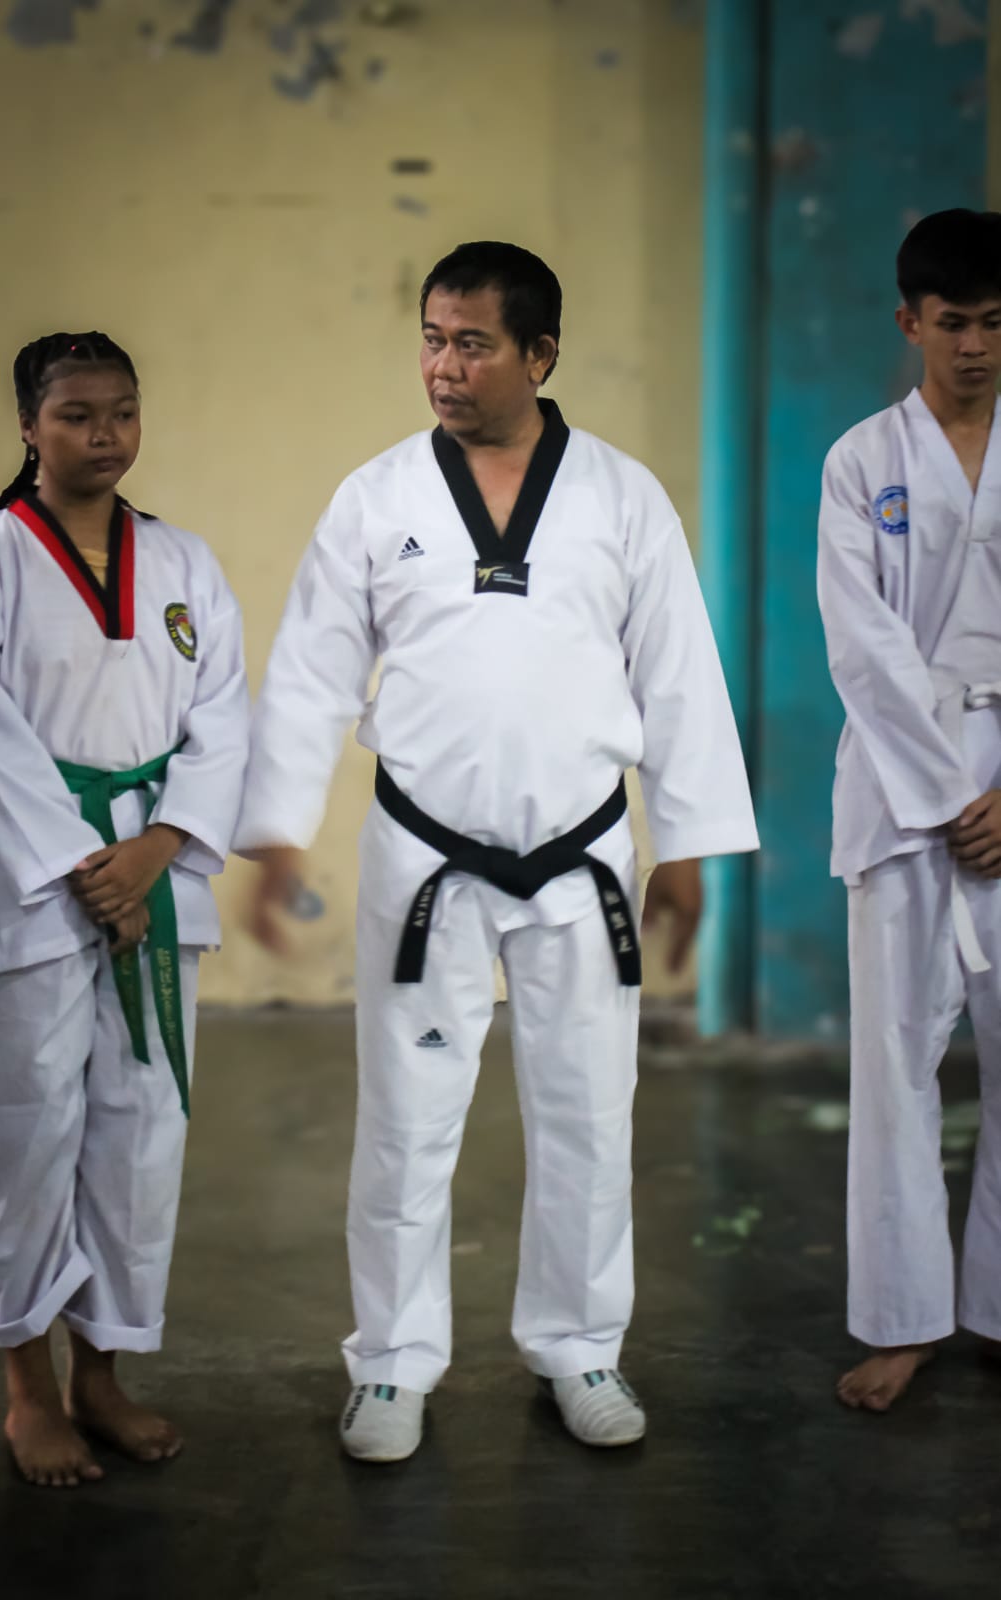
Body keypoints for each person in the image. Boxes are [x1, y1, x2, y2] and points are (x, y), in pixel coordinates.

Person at [238, 242, 757, 1462]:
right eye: (430, 336)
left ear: (540, 353)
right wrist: (270, 839)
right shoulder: (376, 497)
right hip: (425, 859)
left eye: (471, 342)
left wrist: (682, 850)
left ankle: (580, 1346)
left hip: (583, 860)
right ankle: (390, 1365)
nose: (442, 364)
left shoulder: (623, 497)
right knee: (409, 1117)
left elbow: (678, 676)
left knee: (588, 1112)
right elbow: (312, 673)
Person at [0, 332, 248, 1485]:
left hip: (154, 887)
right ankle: (26, 1390)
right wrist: (87, 861)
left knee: (137, 1137)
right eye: (76, 414)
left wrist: (158, 848)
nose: (103, 433)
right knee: (23, 1140)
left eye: (121, 412)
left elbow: (224, 718)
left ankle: (102, 1375)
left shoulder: (184, 561)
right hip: (29, 892)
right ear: (29, 426)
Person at [817, 209, 1001, 1413]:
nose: (975, 346)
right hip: (902, 786)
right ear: (908, 322)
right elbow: (862, 645)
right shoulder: (860, 460)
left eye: (993, 323)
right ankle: (903, 1318)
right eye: (952, 323)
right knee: (894, 1058)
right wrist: (948, 794)